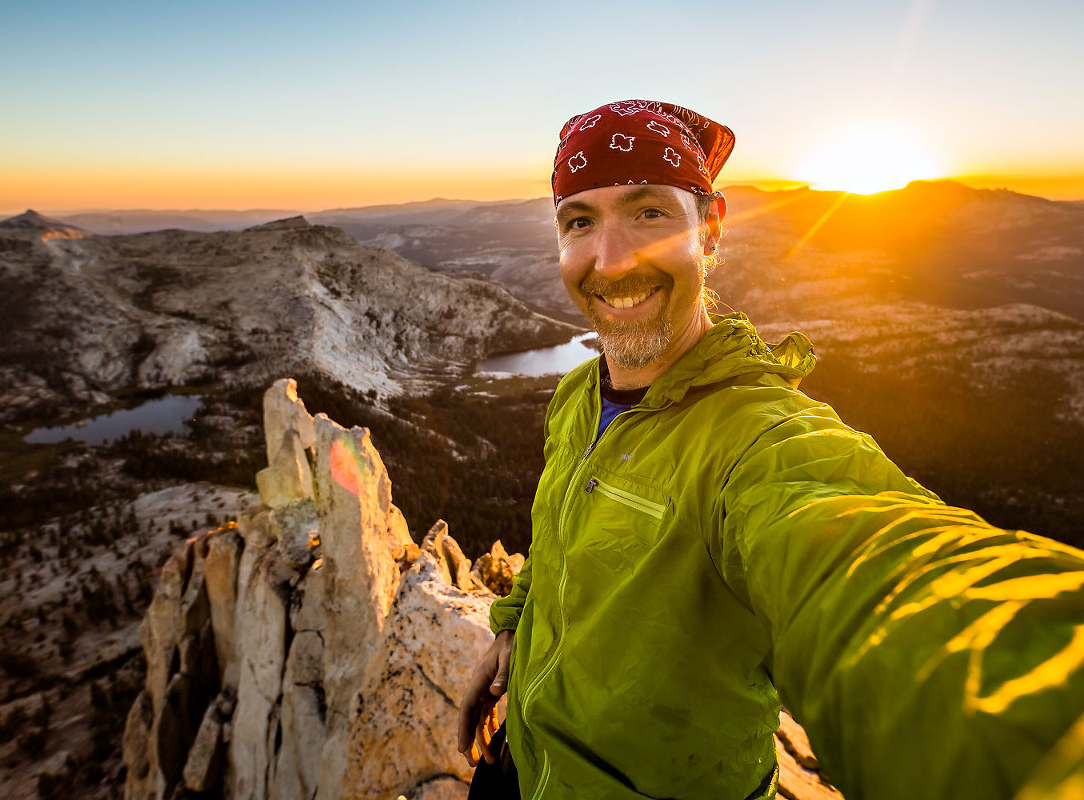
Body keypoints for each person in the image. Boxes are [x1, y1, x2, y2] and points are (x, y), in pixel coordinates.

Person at [456, 99, 1084, 800]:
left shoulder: (757, 438)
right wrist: (513, 632)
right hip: (518, 766)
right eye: (580, 221)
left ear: (712, 228)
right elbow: (559, 535)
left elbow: (871, 562)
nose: (611, 260)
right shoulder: (578, 396)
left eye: (649, 213)